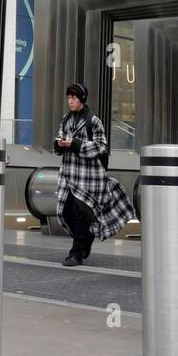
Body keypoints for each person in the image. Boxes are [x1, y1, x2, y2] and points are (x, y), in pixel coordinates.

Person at [53, 82, 136, 266]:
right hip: (68, 175)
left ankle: (76, 254)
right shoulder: (66, 118)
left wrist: (75, 144)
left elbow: (101, 146)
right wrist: (59, 144)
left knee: (80, 213)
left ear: (81, 99)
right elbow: (60, 139)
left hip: (88, 177)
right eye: (69, 97)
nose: (70, 101)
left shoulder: (93, 120)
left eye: (73, 98)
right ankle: (85, 240)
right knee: (65, 212)